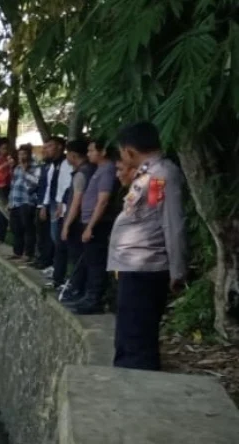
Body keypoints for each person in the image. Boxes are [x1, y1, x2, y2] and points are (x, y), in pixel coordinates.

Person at [108, 121, 188, 371]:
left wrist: (178, 271)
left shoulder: (161, 175)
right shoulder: (147, 175)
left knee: (137, 337)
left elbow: (172, 223)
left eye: (121, 151)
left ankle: (138, 388)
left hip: (146, 268)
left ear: (129, 151)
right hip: (134, 268)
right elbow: (149, 213)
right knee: (128, 332)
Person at [66, 139, 121, 314]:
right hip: (90, 221)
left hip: (98, 223)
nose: (88, 154)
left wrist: (90, 226)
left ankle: (94, 299)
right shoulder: (99, 170)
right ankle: (89, 296)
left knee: (96, 262)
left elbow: (103, 200)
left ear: (102, 151)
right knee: (90, 260)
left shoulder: (107, 170)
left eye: (91, 151)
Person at [55, 138, 95, 297]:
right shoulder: (92, 169)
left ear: (73, 155)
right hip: (84, 220)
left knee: (77, 257)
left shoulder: (82, 173)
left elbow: (76, 201)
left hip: (78, 222)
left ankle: (76, 289)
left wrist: (66, 224)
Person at [34, 136, 73, 271]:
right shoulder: (51, 165)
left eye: (50, 146)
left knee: (58, 237)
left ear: (60, 147)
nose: (46, 150)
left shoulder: (66, 163)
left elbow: (66, 186)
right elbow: (49, 186)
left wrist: (61, 203)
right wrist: (44, 205)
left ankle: (61, 268)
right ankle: (53, 265)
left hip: (60, 204)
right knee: (51, 235)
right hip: (52, 202)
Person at [7, 144, 42, 261]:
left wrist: (25, 170)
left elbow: (34, 184)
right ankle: (17, 252)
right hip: (15, 202)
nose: (21, 156)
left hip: (27, 202)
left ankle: (28, 253)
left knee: (27, 228)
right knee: (16, 228)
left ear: (29, 155)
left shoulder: (35, 168)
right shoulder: (16, 168)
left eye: (24, 154)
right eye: (20, 154)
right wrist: (10, 201)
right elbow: (13, 186)